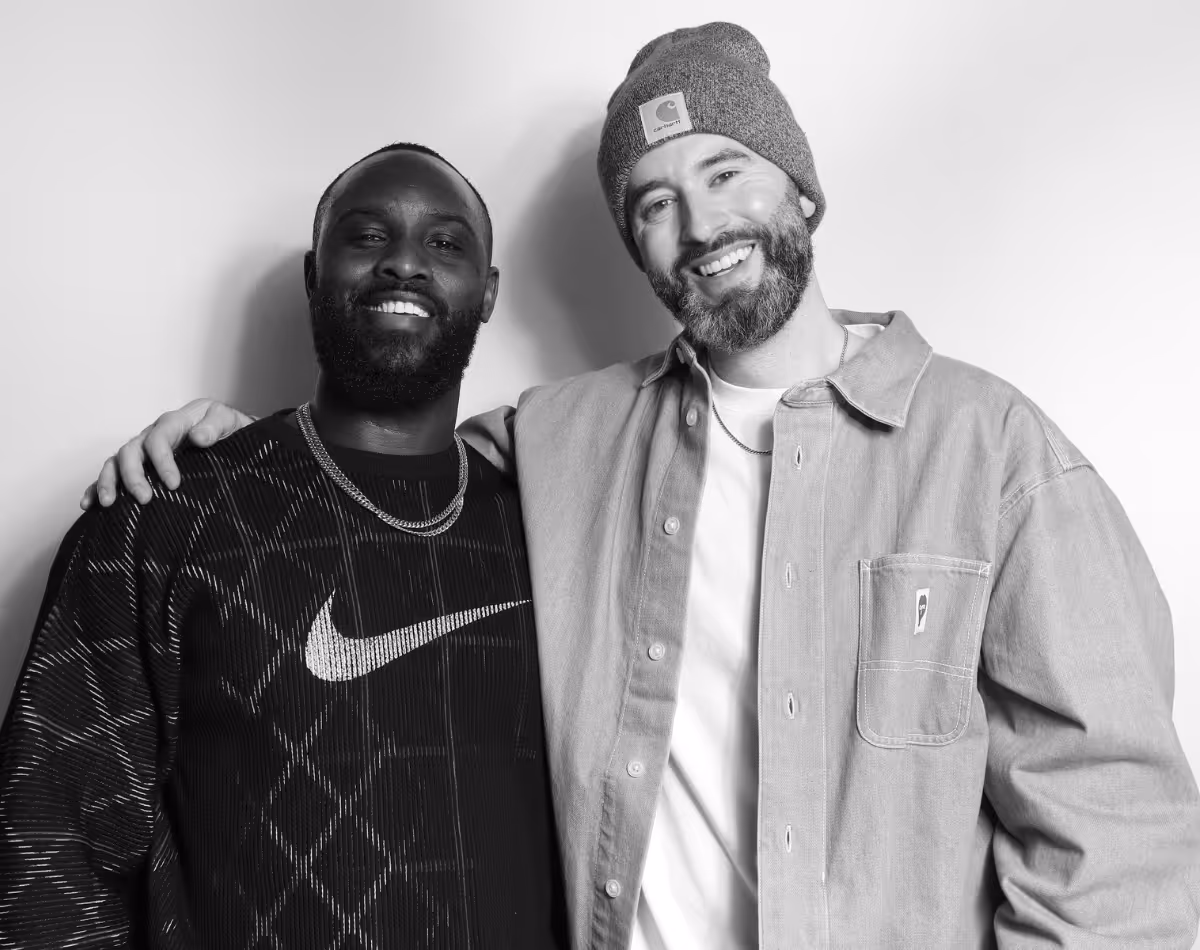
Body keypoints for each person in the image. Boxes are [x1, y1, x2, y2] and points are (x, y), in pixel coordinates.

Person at [75, 22, 1200, 949]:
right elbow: (380, 459)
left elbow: (1119, 843)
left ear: (802, 194)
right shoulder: (569, 435)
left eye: (724, 173)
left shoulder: (996, 453)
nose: (700, 225)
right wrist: (222, 442)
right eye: (654, 203)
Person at [0, 143, 567, 948]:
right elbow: (49, 858)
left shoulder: (551, 528)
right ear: (314, 276)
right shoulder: (164, 519)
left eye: (445, 243)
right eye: (366, 236)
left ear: (488, 294)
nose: (404, 263)